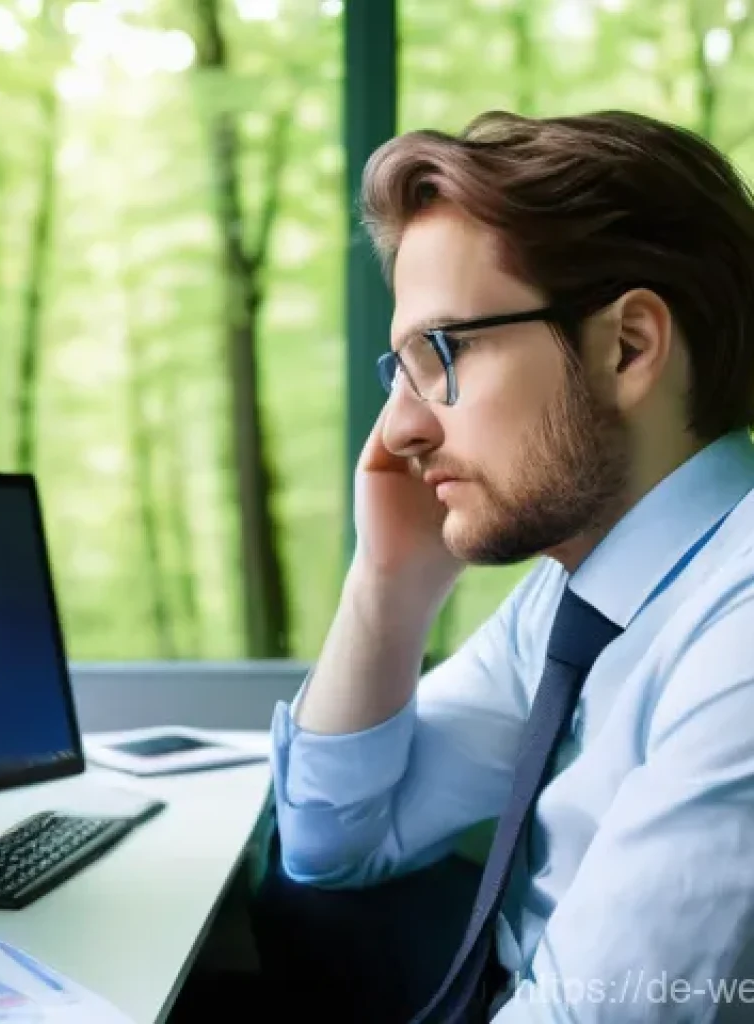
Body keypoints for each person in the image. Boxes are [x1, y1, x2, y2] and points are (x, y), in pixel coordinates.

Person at [268, 110, 754, 1022]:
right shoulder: (573, 599)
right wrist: (387, 584)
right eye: (400, 371)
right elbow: (329, 845)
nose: (400, 430)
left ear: (628, 348)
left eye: (445, 352)